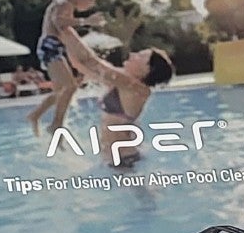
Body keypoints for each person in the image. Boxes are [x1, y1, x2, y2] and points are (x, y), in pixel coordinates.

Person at [54, 18, 174, 168]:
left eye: (140, 56)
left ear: (147, 70)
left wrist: (66, 29)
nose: (132, 54)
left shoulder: (136, 88)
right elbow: (80, 64)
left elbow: (92, 62)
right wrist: (62, 39)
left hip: (125, 161)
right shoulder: (123, 82)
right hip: (114, 161)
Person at [27, 0, 106, 134]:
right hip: (50, 47)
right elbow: (59, 22)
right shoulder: (65, 3)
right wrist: (86, 21)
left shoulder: (61, 4)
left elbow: (64, 28)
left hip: (53, 47)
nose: (91, 4)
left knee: (60, 91)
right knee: (69, 87)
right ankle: (56, 124)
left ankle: (37, 116)